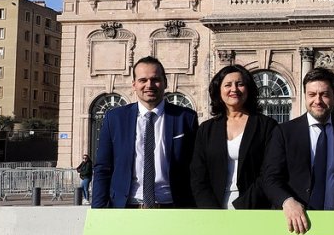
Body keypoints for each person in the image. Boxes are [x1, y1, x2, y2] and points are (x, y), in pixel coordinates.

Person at [92, 56, 198, 209]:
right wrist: (98, 211)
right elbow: (103, 168)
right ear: (134, 84)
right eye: (143, 80)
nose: (149, 85)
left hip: (173, 207)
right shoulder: (114, 119)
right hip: (126, 207)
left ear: (165, 82)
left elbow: (195, 168)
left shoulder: (186, 118)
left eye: (155, 79)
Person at [262, 68, 334, 233]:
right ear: (305, 96)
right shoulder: (284, 132)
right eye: (312, 94)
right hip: (295, 223)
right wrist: (287, 201)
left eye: (324, 94)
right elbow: (269, 178)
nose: (318, 100)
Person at [190, 65, 278, 210]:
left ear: (248, 89)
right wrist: (210, 208)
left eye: (240, 84)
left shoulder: (266, 126)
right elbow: (198, 174)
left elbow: (268, 171)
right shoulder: (206, 129)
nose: (234, 89)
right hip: (213, 208)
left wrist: (244, 205)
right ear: (219, 90)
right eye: (228, 85)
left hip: (254, 207)